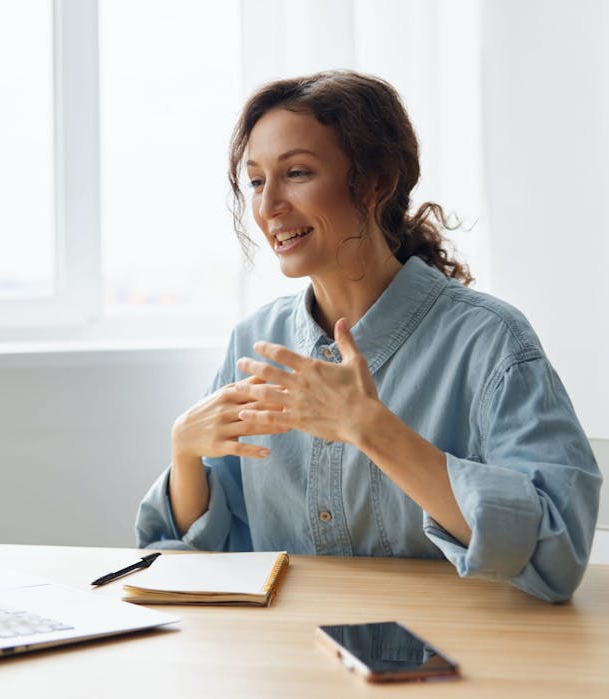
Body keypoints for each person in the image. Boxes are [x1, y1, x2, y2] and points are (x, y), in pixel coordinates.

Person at [135, 70, 602, 602]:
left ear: (376, 180)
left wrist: (371, 429)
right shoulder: (254, 340)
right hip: (285, 658)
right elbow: (192, 560)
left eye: (297, 173)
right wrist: (185, 452)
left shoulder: (492, 341)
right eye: (258, 181)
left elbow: (557, 555)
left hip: (449, 661)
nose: (268, 209)